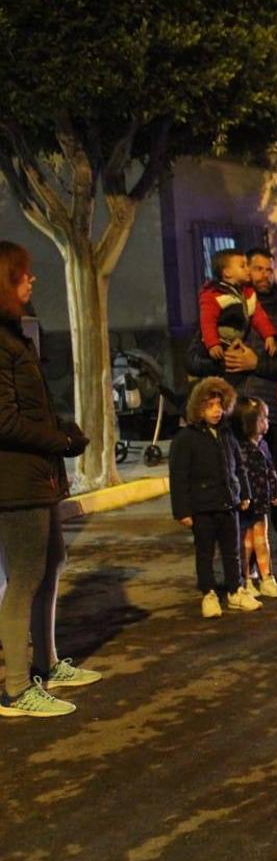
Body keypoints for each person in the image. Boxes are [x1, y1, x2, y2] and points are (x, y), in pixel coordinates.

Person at [0, 241, 98, 718]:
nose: (32, 280)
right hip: (14, 481)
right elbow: (5, 421)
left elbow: (31, 411)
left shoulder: (15, 334)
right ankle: (16, 688)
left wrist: (62, 433)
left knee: (52, 562)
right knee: (23, 578)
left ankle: (47, 663)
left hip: (37, 475)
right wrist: (58, 442)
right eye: (24, 273)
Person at [188, 247, 277, 570]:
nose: (262, 275)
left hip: (275, 414)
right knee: (238, 491)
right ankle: (246, 564)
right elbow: (193, 357)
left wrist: (258, 363)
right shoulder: (222, 307)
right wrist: (224, 361)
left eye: (268, 269)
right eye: (254, 268)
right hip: (232, 417)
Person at [170, 377, 260, 618]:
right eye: (210, 406)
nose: (216, 410)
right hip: (202, 508)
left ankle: (235, 590)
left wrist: (245, 493)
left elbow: (238, 465)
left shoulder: (226, 434)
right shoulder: (185, 439)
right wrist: (183, 510)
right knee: (205, 552)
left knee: (233, 551)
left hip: (228, 504)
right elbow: (178, 478)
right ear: (198, 408)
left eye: (219, 405)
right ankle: (208, 593)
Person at [233, 397, 277, 599]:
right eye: (263, 419)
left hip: (261, 503)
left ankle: (267, 577)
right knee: (246, 545)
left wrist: (275, 491)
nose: (267, 423)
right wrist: (242, 496)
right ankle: (246, 579)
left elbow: (270, 470)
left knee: (262, 542)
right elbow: (237, 474)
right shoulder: (239, 448)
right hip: (246, 506)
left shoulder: (263, 445)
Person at [198, 248, 276, 361]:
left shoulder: (248, 293)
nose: (247, 270)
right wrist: (212, 343)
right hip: (220, 343)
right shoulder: (213, 294)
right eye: (243, 266)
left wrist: (269, 334)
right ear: (227, 273)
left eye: (269, 270)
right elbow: (207, 321)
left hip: (236, 343)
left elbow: (258, 315)